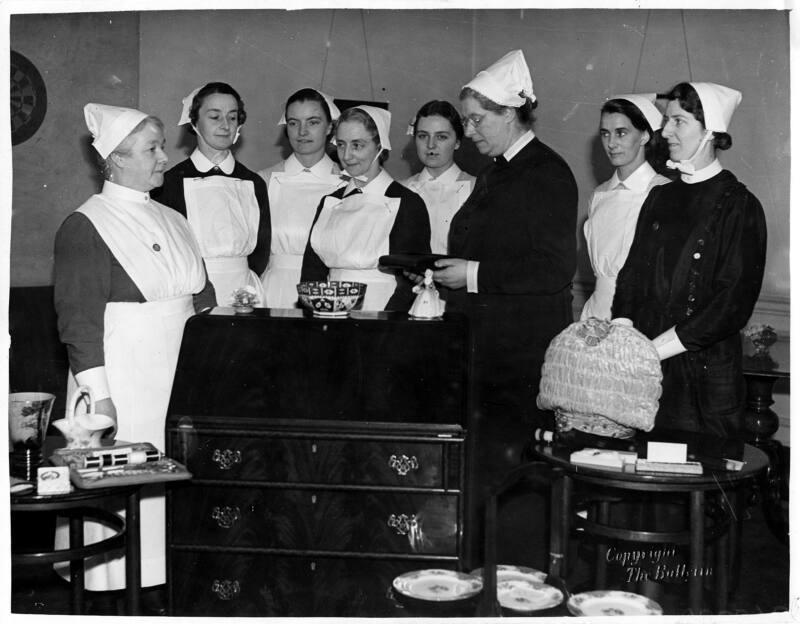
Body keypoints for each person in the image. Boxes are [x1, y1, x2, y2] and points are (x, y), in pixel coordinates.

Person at [53, 103, 215, 600]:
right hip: (121, 377)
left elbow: (202, 299)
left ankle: (169, 571)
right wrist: (99, 400)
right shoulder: (86, 225)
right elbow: (78, 323)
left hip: (177, 370)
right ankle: (113, 585)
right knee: (124, 486)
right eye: (153, 149)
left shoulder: (172, 217)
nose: (166, 157)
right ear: (116, 159)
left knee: (175, 475)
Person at [432, 50, 577, 570]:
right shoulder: (496, 172)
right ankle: (481, 576)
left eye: (477, 119)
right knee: (486, 469)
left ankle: (519, 585)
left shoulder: (547, 173)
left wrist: (469, 274)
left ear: (511, 113)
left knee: (516, 472)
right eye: (466, 119)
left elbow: (552, 270)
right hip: (486, 349)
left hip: (522, 357)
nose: (468, 131)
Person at [612, 82, 767, 438]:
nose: (664, 132)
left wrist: (655, 350)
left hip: (705, 381)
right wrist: (624, 338)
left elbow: (732, 304)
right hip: (648, 374)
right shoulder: (659, 197)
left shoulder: (739, 205)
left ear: (710, 131)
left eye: (678, 122)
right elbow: (631, 277)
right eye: (666, 121)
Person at [301, 105, 431, 311]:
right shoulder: (330, 201)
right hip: (329, 314)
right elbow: (312, 272)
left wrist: (384, 326)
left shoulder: (406, 203)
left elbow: (411, 281)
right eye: (341, 145)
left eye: (357, 145)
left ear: (380, 146)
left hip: (381, 315)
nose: (346, 155)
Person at [152, 82, 270, 307]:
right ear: (194, 122)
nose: (225, 125)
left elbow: (261, 252)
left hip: (245, 294)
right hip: (192, 294)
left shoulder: (253, 182)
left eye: (232, 117)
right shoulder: (170, 183)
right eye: (215, 117)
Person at [581, 93, 671, 320]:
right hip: (595, 315)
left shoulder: (664, 193)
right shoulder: (599, 194)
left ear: (644, 136)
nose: (611, 143)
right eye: (605, 134)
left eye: (621, 133)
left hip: (639, 318)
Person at [258, 88, 345, 308]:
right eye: (294, 123)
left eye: (313, 122)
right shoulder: (265, 180)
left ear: (330, 128)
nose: (302, 131)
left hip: (328, 291)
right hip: (275, 291)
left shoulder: (347, 183)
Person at [402, 100, 475, 254]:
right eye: (423, 136)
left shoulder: (476, 189)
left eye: (441, 137)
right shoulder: (400, 189)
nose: (431, 145)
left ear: (457, 142)